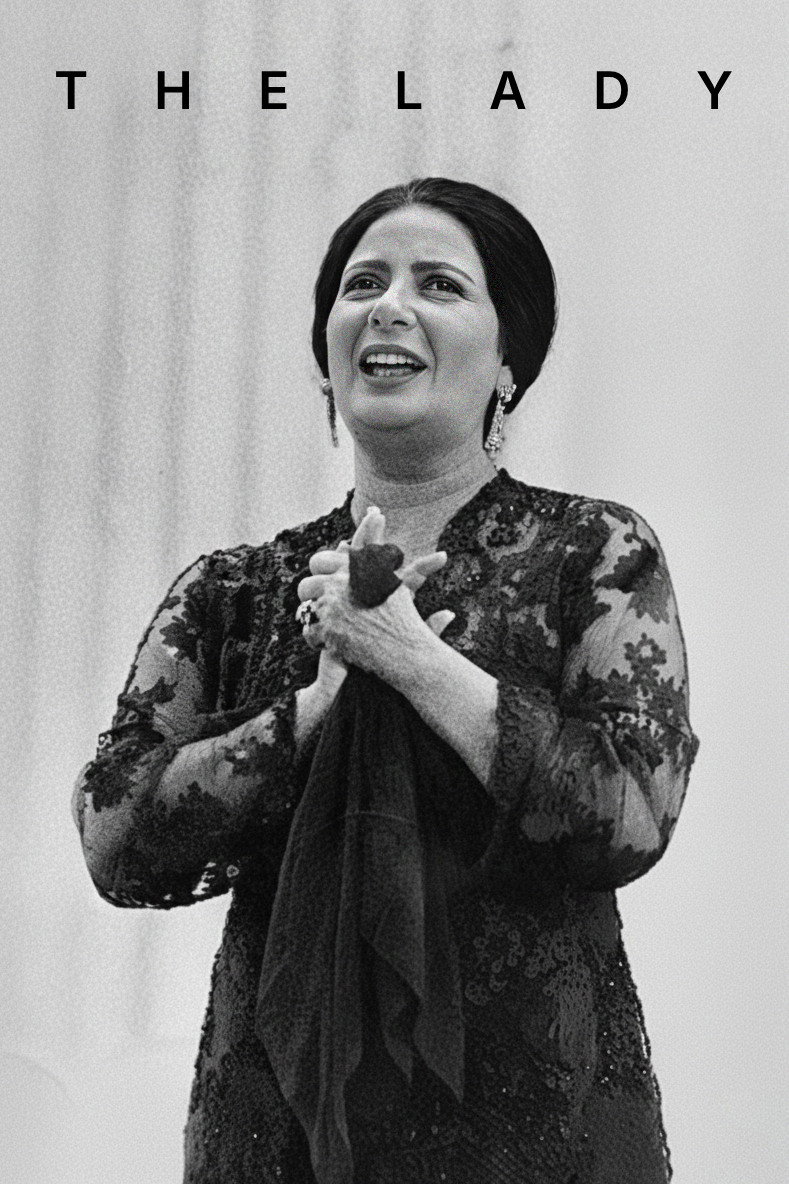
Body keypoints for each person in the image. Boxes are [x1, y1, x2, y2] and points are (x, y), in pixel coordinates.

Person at [71, 177, 699, 1184]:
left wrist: (412, 658)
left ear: (508, 362)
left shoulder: (593, 551)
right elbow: (117, 838)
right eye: (362, 283)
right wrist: (310, 708)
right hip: (276, 1134)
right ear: (327, 355)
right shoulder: (235, 589)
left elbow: (627, 812)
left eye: (439, 284)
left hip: (533, 1132)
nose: (389, 306)